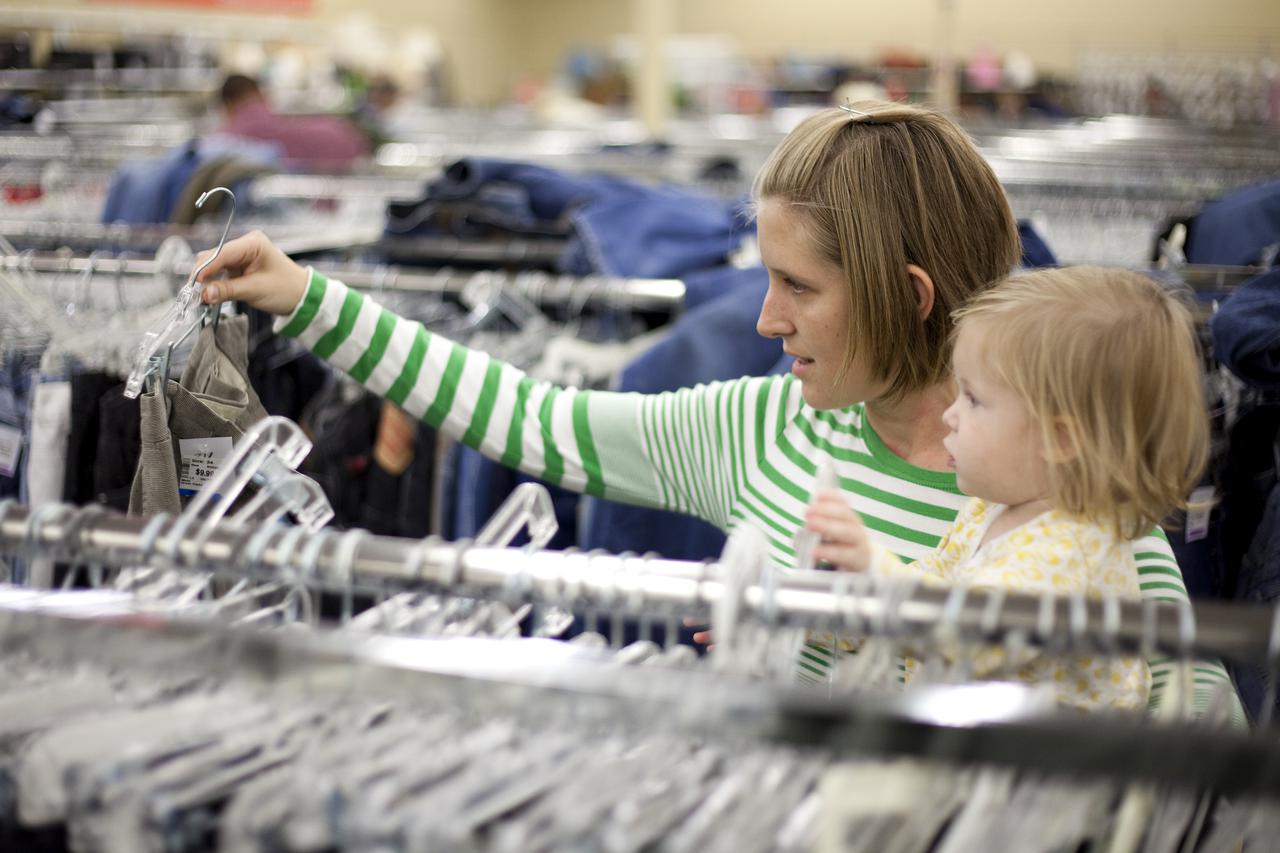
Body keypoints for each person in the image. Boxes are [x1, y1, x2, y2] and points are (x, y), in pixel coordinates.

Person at [194, 100, 1239, 719]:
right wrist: (310, 300)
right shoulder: (763, 430)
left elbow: (1182, 767)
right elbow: (529, 418)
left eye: (799, 288)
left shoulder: (1088, 521)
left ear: (906, 295)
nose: (764, 319)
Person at [806, 267, 1208, 712]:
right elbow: (931, 588)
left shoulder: (1069, 551)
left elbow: (968, 636)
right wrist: (804, 613)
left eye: (974, 399)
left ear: (1060, 439)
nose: (950, 416)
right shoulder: (991, 510)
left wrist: (874, 565)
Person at [218, 74, 367, 168]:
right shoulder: (259, 119)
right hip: (343, 149)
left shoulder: (244, 125)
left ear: (228, 103)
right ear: (259, 93)